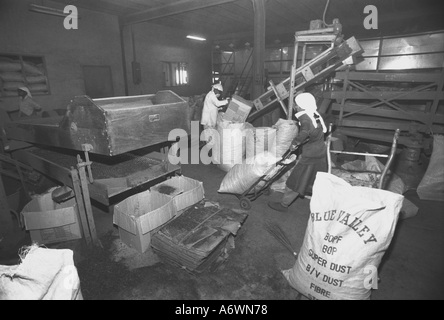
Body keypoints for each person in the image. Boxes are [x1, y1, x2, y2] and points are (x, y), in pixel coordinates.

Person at [268, 92, 328, 212]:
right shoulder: (315, 114)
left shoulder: (305, 117)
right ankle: (324, 204)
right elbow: (316, 131)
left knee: (296, 180)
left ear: (302, 106)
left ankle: (284, 204)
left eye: (297, 104)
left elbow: (305, 131)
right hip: (320, 152)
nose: (295, 106)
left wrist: (295, 143)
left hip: (310, 155)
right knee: (316, 180)